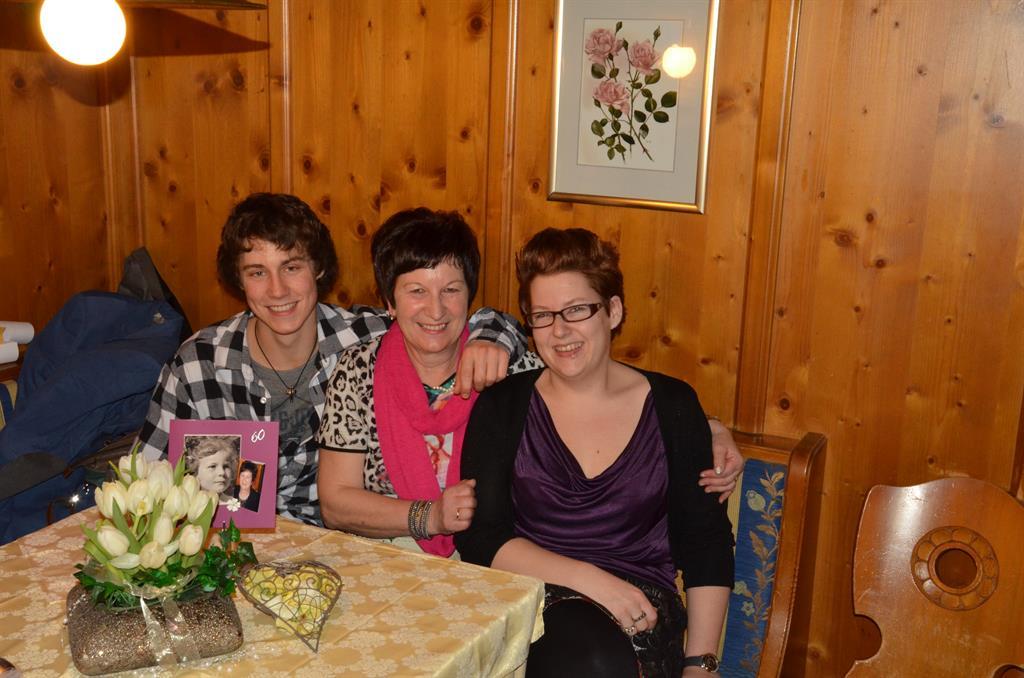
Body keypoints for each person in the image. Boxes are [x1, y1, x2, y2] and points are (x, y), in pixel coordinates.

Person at [135, 193, 526, 526]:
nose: (277, 290)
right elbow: (143, 485)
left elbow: (445, 320)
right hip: (231, 543)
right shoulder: (199, 364)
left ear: (318, 268)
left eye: (291, 267)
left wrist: (492, 337)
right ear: (238, 280)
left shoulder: (364, 338)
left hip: (336, 547)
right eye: (257, 272)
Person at [455, 228, 734, 677]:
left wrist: (701, 664)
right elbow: (480, 538)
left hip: (640, 611)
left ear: (613, 311)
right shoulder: (503, 405)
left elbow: (707, 542)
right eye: (543, 315)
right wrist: (590, 580)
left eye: (577, 310)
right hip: (530, 600)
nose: (560, 330)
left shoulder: (673, 406)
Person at [316, 208, 545, 556]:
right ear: (390, 302)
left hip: (498, 556)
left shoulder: (512, 369)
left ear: (469, 296)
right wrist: (430, 517)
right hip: (389, 556)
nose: (436, 311)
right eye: (417, 291)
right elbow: (336, 503)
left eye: (450, 290)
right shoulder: (358, 370)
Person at [184, 435, 240, 504]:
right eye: (212, 466)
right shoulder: (186, 502)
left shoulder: (233, 503)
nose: (222, 472)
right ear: (195, 470)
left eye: (226, 466)